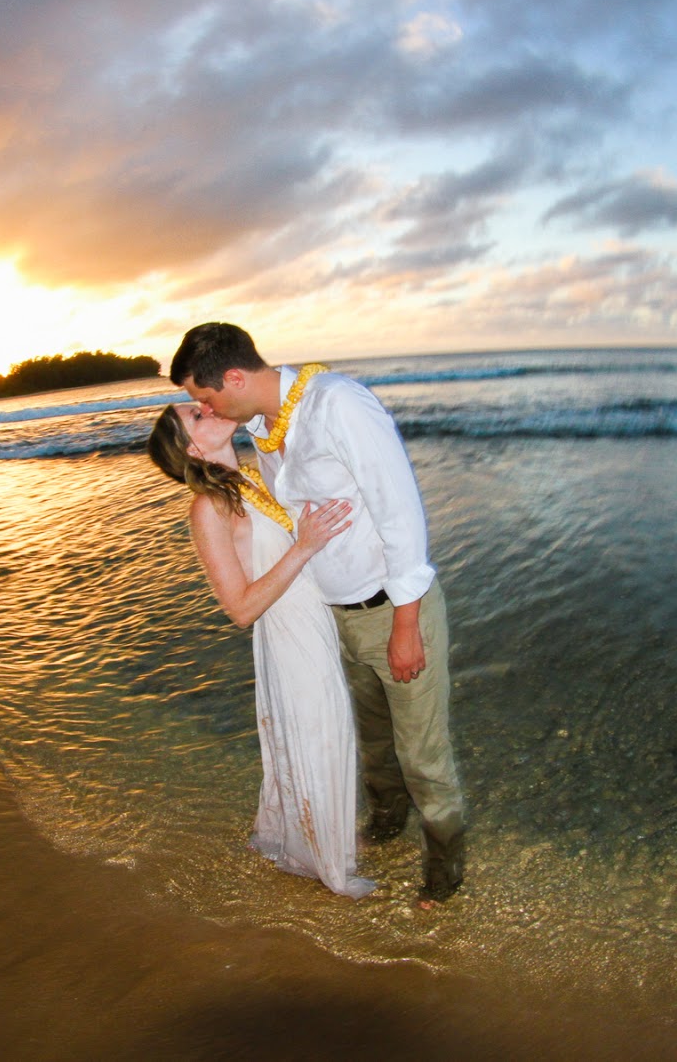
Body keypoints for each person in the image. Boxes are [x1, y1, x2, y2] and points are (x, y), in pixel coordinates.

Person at [168, 322, 466, 906]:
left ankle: (444, 869)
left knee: (423, 755)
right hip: (335, 618)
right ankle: (386, 827)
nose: (205, 408)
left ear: (233, 378)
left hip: (390, 609)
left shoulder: (338, 406)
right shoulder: (264, 430)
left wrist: (406, 624)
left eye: (205, 399)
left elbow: (399, 507)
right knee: (375, 746)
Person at [148, 401, 375, 899]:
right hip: (288, 633)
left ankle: (310, 838)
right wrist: (306, 545)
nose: (208, 406)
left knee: (323, 730)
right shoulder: (207, 507)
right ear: (192, 447)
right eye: (197, 415)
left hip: (312, 621)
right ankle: (327, 860)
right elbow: (240, 608)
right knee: (319, 732)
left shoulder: (246, 480)